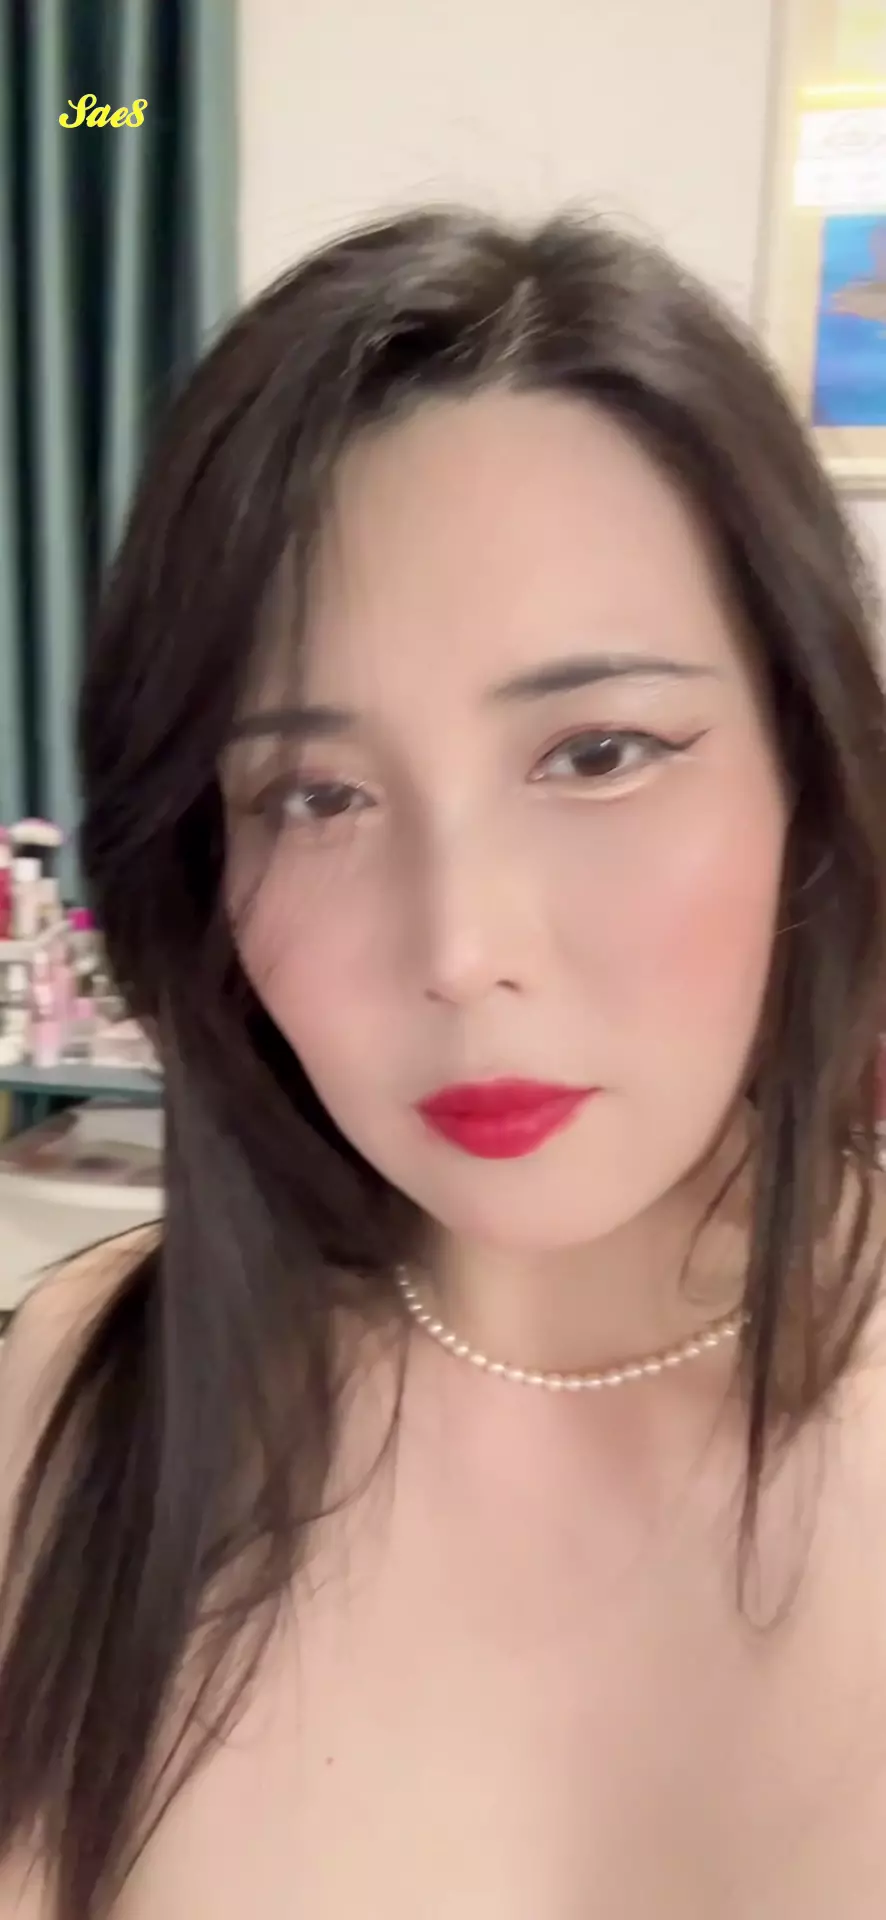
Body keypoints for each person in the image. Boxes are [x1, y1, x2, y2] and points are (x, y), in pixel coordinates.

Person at [1, 206, 886, 1920]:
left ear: (806, 770)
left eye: (598, 752)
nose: (459, 945)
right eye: (315, 796)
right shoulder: (87, 1407)